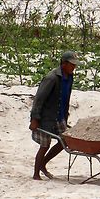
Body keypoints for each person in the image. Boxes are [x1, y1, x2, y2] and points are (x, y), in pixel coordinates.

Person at [29, 51, 79, 180]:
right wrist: (35, 119)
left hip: (60, 116)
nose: (74, 67)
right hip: (46, 117)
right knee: (45, 145)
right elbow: (39, 99)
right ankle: (36, 173)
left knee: (65, 141)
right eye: (72, 65)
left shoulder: (69, 77)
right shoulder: (51, 78)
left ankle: (43, 164)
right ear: (64, 64)